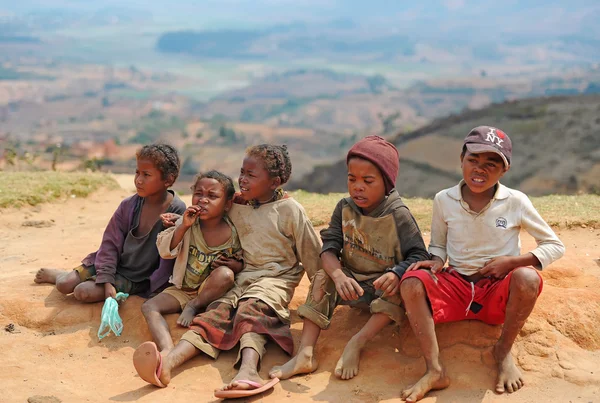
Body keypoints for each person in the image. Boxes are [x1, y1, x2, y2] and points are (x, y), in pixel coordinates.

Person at [132, 144, 322, 399]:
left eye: (251, 175)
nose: (242, 179)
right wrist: (177, 222)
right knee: (215, 314)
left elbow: (314, 258)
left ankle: (248, 371)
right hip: (241, 279)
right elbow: (210, 210)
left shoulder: (291, 211)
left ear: (275, 182)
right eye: (242, 172)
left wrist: (317, 304)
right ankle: (168, 363)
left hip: (274, 281)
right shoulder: (237, 204)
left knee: (251, 311)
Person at [399, 126, 565, 402]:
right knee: (412, 282)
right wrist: (437, 261)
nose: (479, 170)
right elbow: (438, 245)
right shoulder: (444, 199)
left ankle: (502, 352)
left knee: (528, 278)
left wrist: (512, 262)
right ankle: (435, 369)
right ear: (461, 159)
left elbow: (554, 245)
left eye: (491, 164)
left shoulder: (515, 201)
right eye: (473, 161)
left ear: (504, 170)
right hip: (456, 286)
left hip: (497, 290)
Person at [269, 135, 430, 381]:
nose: (358, 187)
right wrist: (338, 275)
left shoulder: (399, 215)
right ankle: (306, 353)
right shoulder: (344, 207)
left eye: (368, 181)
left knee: (398, 286)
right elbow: (329, 248)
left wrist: (395, 273)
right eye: (351, 179)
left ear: (387, 183)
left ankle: (357, 342)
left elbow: (419, 255)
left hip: (382, 289)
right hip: (351, 285)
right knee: (323, 278)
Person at [34, 143, 186, 302]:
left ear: (168, 180)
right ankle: (61, 275)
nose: (138, 180)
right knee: (64, 284)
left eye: (146, 175)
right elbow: (110, 244)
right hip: (110, 264)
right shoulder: (129, 205)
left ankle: (78, 278)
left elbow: (173, 256)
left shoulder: (177, 210)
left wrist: (156, 288)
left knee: (83, 292)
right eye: (137, 173)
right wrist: (107, 280)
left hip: (137, 278)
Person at [141, 170, 243, 354]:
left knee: (225, 274)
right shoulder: (187, 222)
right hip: (182, 289)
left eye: (212, 196)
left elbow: (242, 262)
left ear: (227, 204)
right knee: (150, 307)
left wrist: (235, 265)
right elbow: (165, 251)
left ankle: (194, 306)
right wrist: (183, 226)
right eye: (199, 194)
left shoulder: (233, 233)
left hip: (210, 292)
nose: (203, 200)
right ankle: (166, 349)